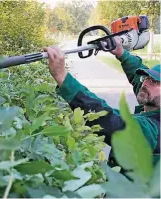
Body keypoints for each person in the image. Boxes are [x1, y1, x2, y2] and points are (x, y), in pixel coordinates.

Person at [44, 36, 160, 165]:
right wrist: (121, 53)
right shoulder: (153, 99)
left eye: (155, 82)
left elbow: (111, 122)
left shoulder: (153, 129)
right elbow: (136, 75)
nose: (145, 84)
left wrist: (63, 77)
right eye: (147, 78)